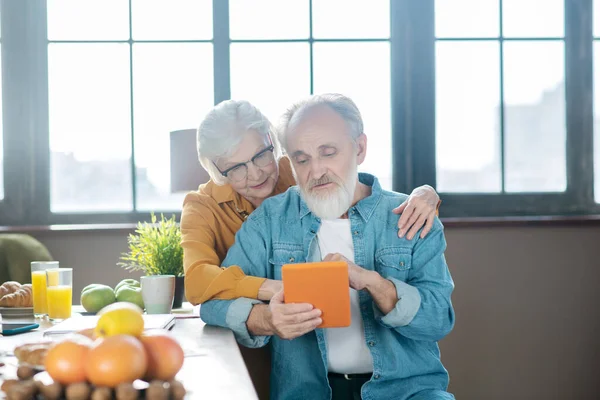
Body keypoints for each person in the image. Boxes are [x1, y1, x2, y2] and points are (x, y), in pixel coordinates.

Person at [199, 94, 455, 400]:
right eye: (302, 159)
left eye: (328, 153)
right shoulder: (269, 219)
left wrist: (374, 283)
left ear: (359, 148)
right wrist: (266, 320)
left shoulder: (411, 215)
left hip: (408, 392)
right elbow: (212, 302)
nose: (316, 170)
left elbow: (438, 320)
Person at [181, 99, 441, 306]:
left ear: (272, 144)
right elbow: (196, 281)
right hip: (251, 339)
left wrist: (425, 192)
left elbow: (349, 176)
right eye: (236, 168)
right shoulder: (202, 206)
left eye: (260, 155)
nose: (256, 174)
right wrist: (278, 288)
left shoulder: (298, 166)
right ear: (217, 172)